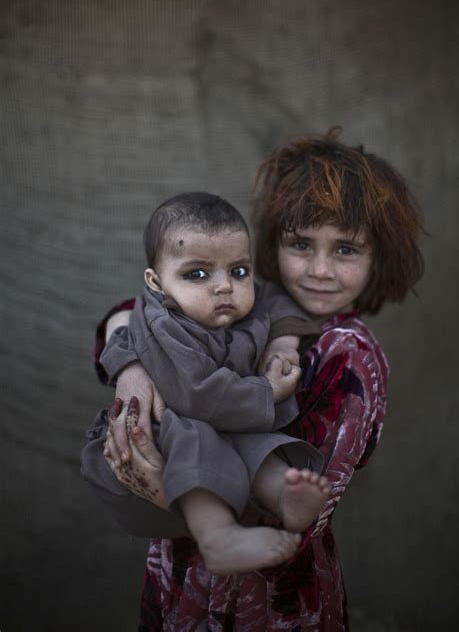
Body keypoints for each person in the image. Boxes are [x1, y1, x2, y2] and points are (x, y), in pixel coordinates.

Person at [82, 129, 423, 630]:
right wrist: (131, 368)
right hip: (181, 578)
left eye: (346, 250)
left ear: (379, 257)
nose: (320, 270)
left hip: (267, 598)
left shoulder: (347, 355)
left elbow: (293, 524)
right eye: (301, 244)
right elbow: (134, 312)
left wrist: (159, 487)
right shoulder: (244, 300)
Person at [99, 192, 331, 575]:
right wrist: (268, 391)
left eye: (238, 271)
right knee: (196, 445)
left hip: (230, 417)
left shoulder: (247, 299)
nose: (224, 286)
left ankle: (283, 496)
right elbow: (197, 394)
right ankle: (218, 536)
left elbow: (277, 299)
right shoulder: (165, 324)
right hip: (175, 424)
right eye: (197, 274)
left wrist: (283, 341)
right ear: (156, 283)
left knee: (260, 445)